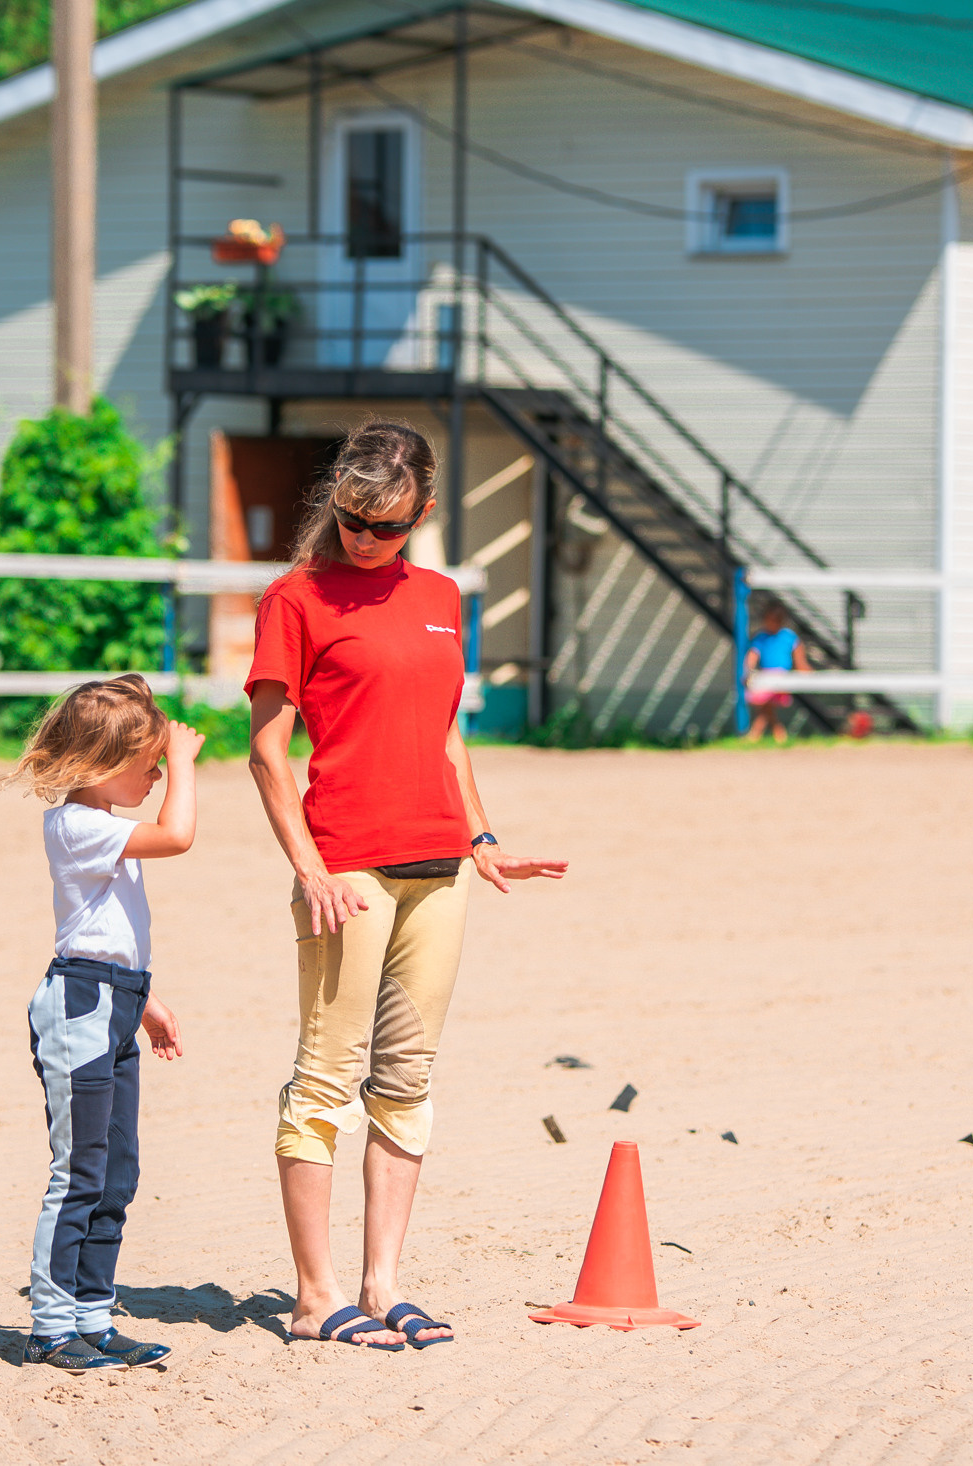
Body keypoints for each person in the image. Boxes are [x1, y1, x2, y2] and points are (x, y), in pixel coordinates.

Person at [245, 419, 569, 1351]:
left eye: (385, 526)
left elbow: (443, 731)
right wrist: (307, 866)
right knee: (324, 1081)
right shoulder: (295, 599)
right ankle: (315, 1297)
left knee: (407, 1080)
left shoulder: (438, 597)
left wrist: (482, 836)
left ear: (422, 514)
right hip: (345, 864)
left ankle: (384, 1285)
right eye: (352, 519)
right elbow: (267, 751)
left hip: (440, 866)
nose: (365, 539)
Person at [4, 675, 204, 1372]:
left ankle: (93, 1315)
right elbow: (179, 837)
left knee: (117, 1172)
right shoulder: (77, 824)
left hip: (116, 1000)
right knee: (79, 1172)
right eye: (145, 763)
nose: (154, 773)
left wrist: (145, 1000)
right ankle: (52, 1328)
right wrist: (183, 765)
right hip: (82, 1007)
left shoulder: (108, 828)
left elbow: (102, 928)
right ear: (101, 763)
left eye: (159, 763)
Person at [744, 596, 807, 743]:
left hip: (781, 677)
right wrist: (749, 670)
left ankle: (756, 735)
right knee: (766, 706)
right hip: (765, 677)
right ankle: (778, 735)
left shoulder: (789, 637)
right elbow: (752, 656)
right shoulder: (761, 638)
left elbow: (800, 661)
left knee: (767, 706)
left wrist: (807, 675)